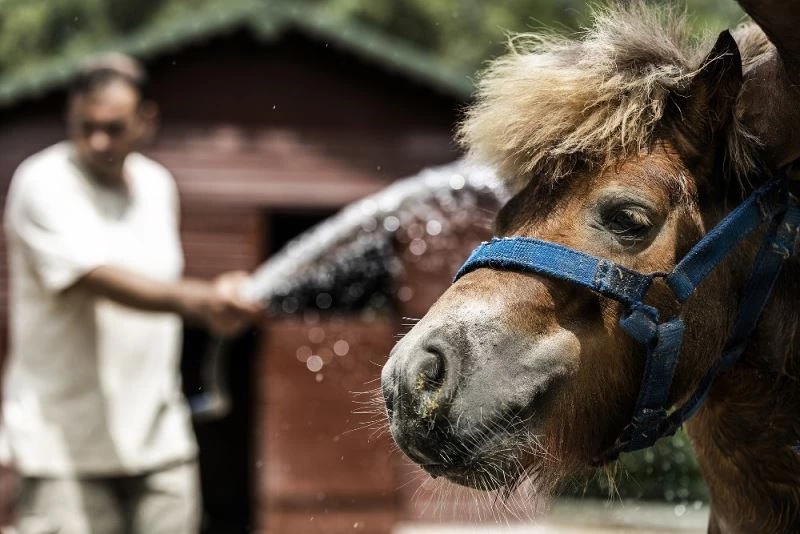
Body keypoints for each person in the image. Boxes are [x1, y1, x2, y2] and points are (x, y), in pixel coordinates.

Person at [2, 53, 261, 533]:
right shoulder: (43, 183)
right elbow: (95, 277)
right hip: (64, 446)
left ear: (146, 121)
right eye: (86, 126)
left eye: (114, 127)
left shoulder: (156, 185)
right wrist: (202, 301)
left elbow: (158, 289)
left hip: (157, 439)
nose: (98, 140)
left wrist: (216, 308)